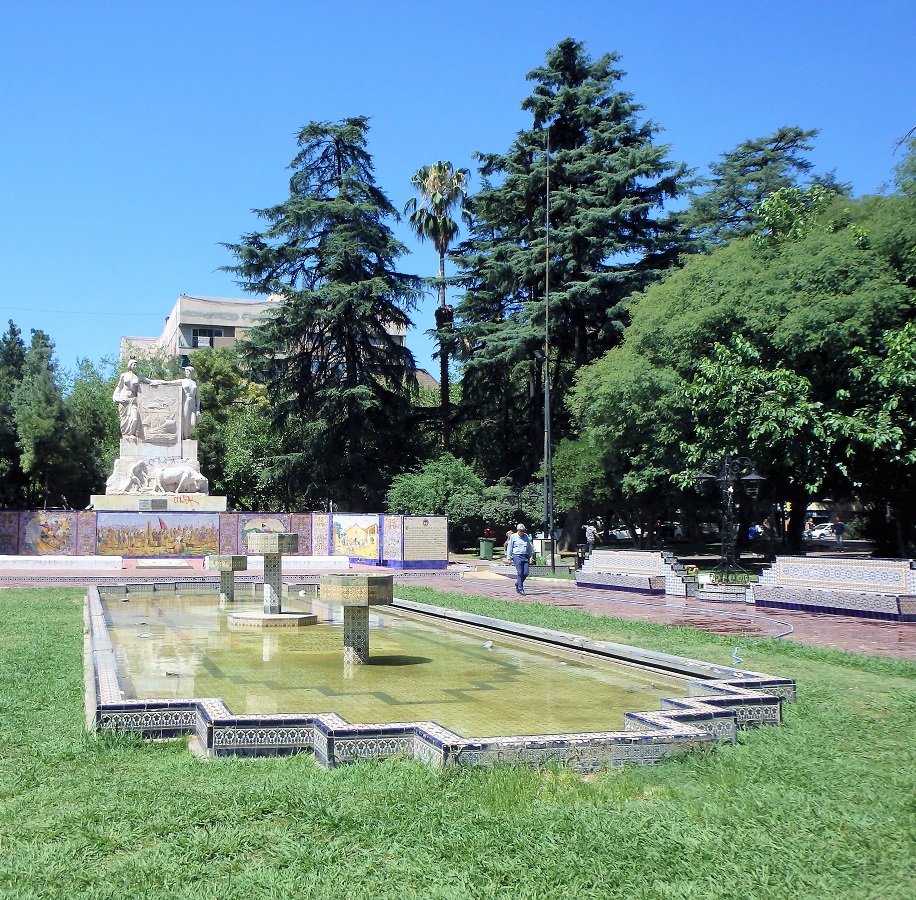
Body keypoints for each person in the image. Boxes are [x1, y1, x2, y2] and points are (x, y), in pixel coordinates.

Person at [112, 359, 156, 438]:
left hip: (133, 400)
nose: (135, 366)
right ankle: (126, 435)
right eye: (134, 365)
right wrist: (115, 397)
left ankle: (131, 433)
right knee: (124, 419)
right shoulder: (124, 375)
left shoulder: (139, 377)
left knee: (134, 419)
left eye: (136, 365)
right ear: (130, 365)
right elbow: (119, 387)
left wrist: (164, 382)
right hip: (124, 400)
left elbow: (150, 381)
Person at [159, 366, 201, 438]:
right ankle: (185, 437)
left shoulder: (196, 383)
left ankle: (187, 435)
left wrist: (198, 409)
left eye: (187, 371)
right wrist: (159, 382)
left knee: (193, 423)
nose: (186, 373)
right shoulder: (183, 381)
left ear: (192, 372)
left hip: (193, 403)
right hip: (186, 402)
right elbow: (170, 383)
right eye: (185, 371)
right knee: (185, 420)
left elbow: (197, 397)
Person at [505, 523, 533, 595]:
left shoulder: (526, 537)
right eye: (521, 531)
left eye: (523, 531)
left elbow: (529, 548)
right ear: (518, 530)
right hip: (517, 556)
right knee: (520, 573)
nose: (522, 532)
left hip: (525, 556)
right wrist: (508, 558)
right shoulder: (513, 536)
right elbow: (509, 547)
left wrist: (530, 557)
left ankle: (518, 583)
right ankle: (520, 589)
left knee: (526, 573)